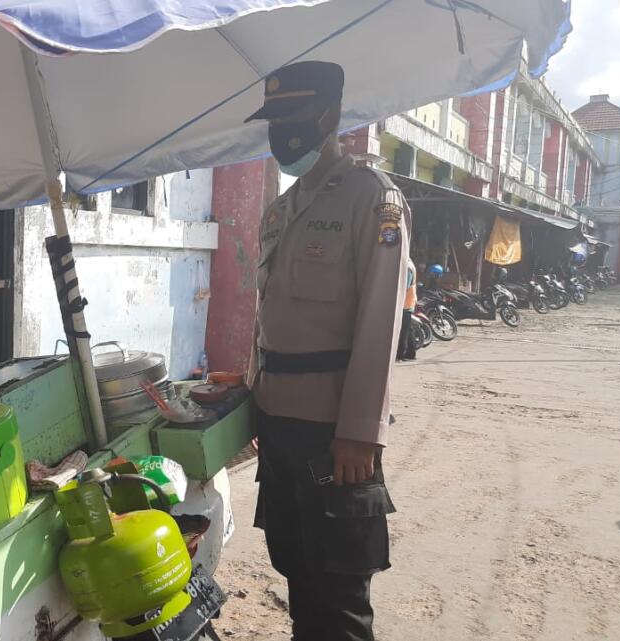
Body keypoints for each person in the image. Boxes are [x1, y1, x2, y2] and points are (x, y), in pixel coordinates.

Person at [244, 61, 408, 640]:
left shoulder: (372, 198)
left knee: (338, 591)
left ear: (331, 116)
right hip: (280, 424)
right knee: (295, 569)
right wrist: (249, 399)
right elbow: (271, 319)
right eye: (275, 119)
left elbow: (380, 320)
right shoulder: (281, 210)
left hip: (335, 432)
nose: (282, 131)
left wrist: (361, 431)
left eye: (294, 116)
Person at [398, 258, 418, 361]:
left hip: (405, 303)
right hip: (408, 302)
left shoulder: (407, 267)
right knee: (408, 329)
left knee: (403, 331)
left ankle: (401, 354)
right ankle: (411, 353)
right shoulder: (409, 265)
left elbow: (404, 286)